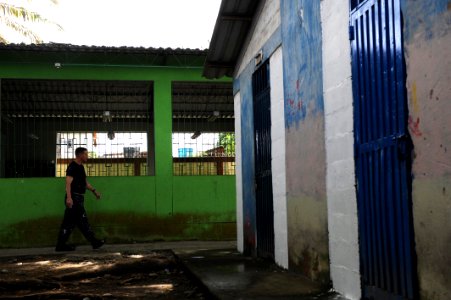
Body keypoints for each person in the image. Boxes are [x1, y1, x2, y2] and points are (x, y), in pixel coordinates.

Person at [55, 147, 105, 251]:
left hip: (79, 198)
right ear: (80, 155)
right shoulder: (72, 166)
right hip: (73, 198)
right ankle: (94, 242)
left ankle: (61, 245)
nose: (87, 156)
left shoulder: (81, 167)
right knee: (82, 220)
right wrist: (69, 198)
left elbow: (85, 183)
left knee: (72, 223)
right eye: (86, 154)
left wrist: (94, 191)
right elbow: (68, 183)